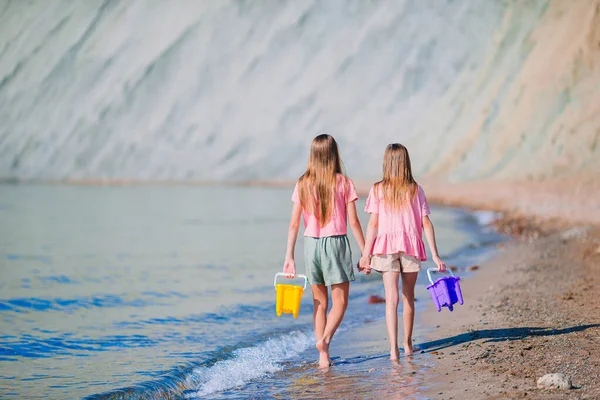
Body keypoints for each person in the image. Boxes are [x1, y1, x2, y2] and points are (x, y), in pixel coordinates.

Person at [283, 134, 365, 368]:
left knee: (320, 303)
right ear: (333, 153)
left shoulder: (302, 183)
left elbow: (293, 224)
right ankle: (325, 340)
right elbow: (354, 222)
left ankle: (323, 357)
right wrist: (365, 251)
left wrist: (289, 257)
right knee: (340, 301)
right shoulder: (343, 182)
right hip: (335, 243)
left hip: (311, 245)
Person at [359, 143, 446, 360]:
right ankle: (407, 345)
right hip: (410, 246)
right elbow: (426, 223)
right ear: (406, 162)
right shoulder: (415, 189)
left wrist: (366, 254)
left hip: (385, 248)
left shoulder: (377, 189)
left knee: (391, 298)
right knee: (408, 297)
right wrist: (435, 254)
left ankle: (393, 350)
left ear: (386, 163)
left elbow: (372, 225)